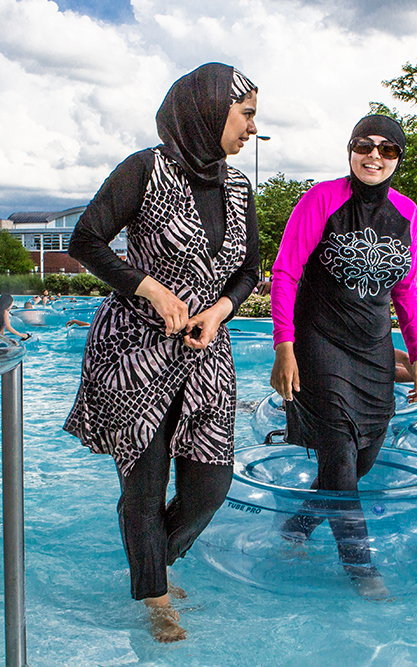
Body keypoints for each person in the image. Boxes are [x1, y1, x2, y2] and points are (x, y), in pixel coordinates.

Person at [64, 63, 260, 643]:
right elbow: (85, 239)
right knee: (143, 489)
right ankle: (154, 593)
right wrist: (148, 287)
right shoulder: (143, 169)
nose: (252, 128)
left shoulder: (239, 187)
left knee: (211, 485)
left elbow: (248, 271)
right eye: (246, 114)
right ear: (207, 108)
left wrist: (219, 310)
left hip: (207, 355)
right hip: (133, 353)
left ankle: (151, 560)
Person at [270, 114, 417, 599]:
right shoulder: (321, 199)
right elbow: (285, 273)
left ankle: (298, 525)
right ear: (350, 149)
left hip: (374, 350)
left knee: (359, 462)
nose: (375, 156)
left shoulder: (408, 213)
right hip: (321, 342)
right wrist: (284, 346)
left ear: (398, 158)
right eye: (365, 144)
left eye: (388, 149)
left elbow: (405, 290)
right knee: (338, 452)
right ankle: (361, 568)